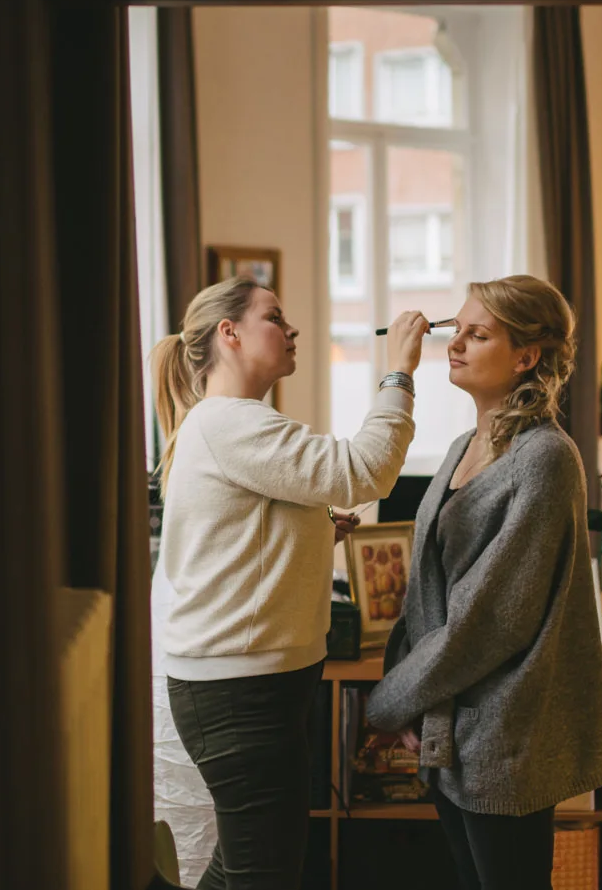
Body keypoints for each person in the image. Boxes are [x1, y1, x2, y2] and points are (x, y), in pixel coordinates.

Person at [152, 275, 429, 890]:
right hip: (240, 693)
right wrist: (399, 373)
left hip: (250, 687)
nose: (292, 328)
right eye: (274, 317)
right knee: (264, 874)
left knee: (245, 868)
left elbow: (235, 543)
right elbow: (365, 469)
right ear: (230, 333)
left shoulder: (229, 424)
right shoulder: (231, 423)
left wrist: (313, 535)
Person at [364, 275, 602, 890]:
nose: (454, 344)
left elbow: (492, 620)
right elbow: (428, 590)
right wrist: (417, 698)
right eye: (457, 329)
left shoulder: (544, 458)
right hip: (452, 724)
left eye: (478, 335)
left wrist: (392, 700)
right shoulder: (462, 447)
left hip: (505, 734)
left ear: (526, 357)